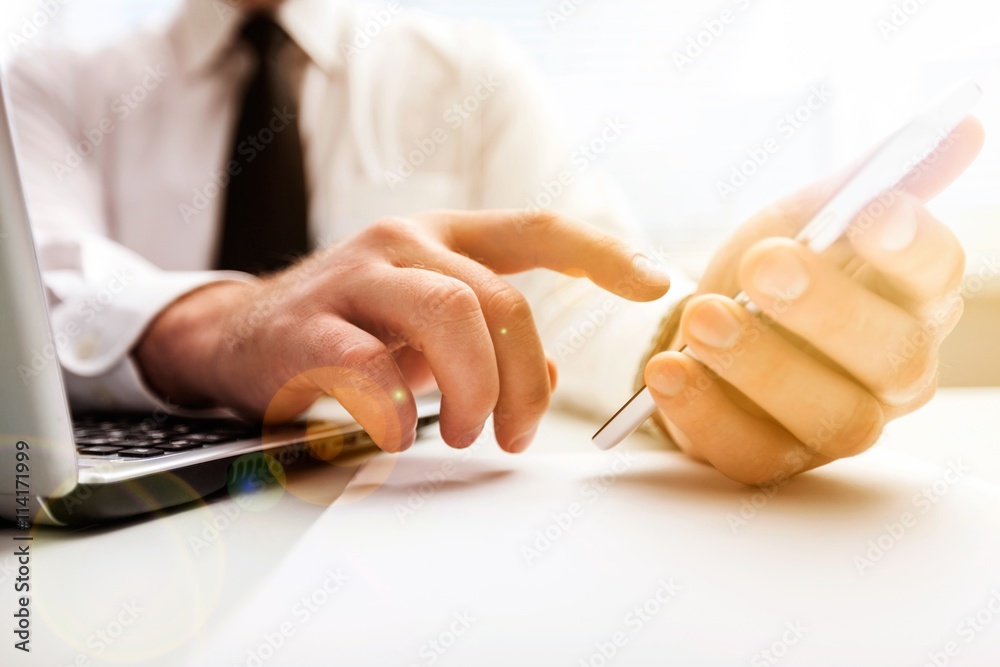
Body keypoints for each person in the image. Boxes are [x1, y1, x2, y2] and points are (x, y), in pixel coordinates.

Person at [8, 0, 983, 485]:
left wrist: (683, 342)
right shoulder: (50, 82)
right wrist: (223, 327)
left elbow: (569, 291)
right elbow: (34, 292)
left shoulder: (466, 74)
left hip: (398, 526)